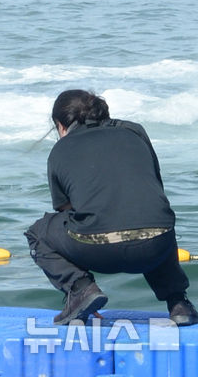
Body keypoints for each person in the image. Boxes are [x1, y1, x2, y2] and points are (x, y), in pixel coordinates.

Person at [25, 89, 198, 326]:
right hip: (155, 247)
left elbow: (66, 209)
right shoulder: (134, 131)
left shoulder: (60, 150)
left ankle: (81, 289)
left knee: (38, 233)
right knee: (153, 216)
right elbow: (154, 188)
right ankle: (179, 303)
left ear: (60, 125)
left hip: (97, 251)